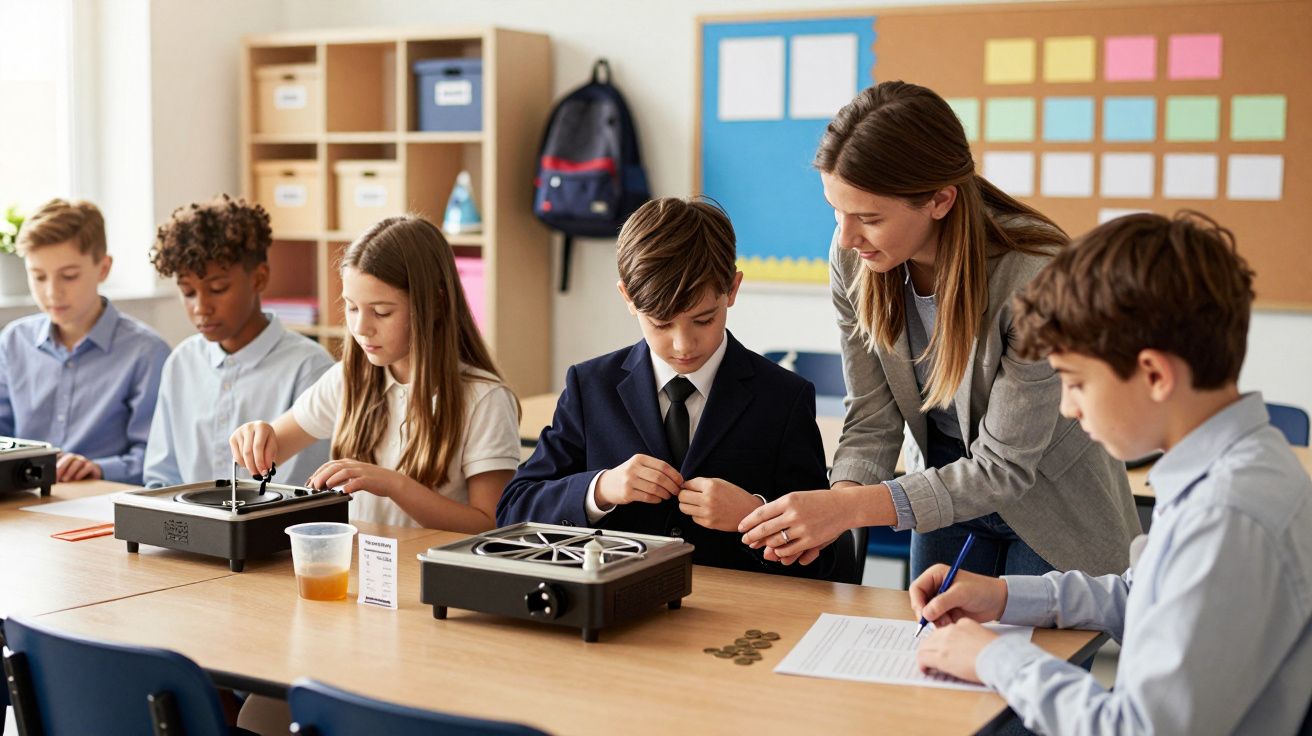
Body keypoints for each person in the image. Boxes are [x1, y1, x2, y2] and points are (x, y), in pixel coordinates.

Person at [912, 211, 1312, 734]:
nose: (1070, 409)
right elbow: (1141, 595)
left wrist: (994, 659)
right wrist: (1005, 596)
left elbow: (1136, 728)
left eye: (1076, 384)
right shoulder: (1232, 466)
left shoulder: (1226, 517)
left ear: (1153, 374)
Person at [740, 81, 1138, 579]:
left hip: (1050, 502)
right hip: (938, 486)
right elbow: (871, 416)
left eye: (869, 217)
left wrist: (848, 510)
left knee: (1024, 656)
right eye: (836, 211)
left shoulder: (1037, 277)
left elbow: (1003, 468)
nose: (845, 236)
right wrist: (835, 509)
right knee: (932, 652)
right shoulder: (853, 257)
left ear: (940, 200)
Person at [498, 197, 839, 580]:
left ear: (732, 288)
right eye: (661, 324)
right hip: (618, 613)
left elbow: (829, 559)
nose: (683, 345)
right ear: (628, 297)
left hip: (741, 618)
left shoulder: (783, 398)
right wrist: (601, 489)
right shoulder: (590, 386)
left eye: (703, 320)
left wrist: (751, 515)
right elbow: (514, 510)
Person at [229, 215, 521, 530]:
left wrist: (394, 485)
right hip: (359, 568)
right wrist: (257, 438)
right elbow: (272, 450)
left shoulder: (484, 399)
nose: (361, 328)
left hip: (431, 575)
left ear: (435, 304)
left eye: (382, 312)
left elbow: (490, 523)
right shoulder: (347, 380)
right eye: (352, 308)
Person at [143, 195, 332, 487]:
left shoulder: (310, 368)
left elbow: (314, 489)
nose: (201, 307)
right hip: (189, 528)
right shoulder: (181, 362)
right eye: (188, 292)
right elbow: (160, 478)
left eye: (218, 289)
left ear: (258, 279)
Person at [0, 198, 168, 484]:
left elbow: (159, 458)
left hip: (102, 504)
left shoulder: (146, 353)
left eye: (69, 276)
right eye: (38, 276)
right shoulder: (13, 342)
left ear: (103, 268)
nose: (52, 292)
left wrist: (100, 468)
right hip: (23, 505)